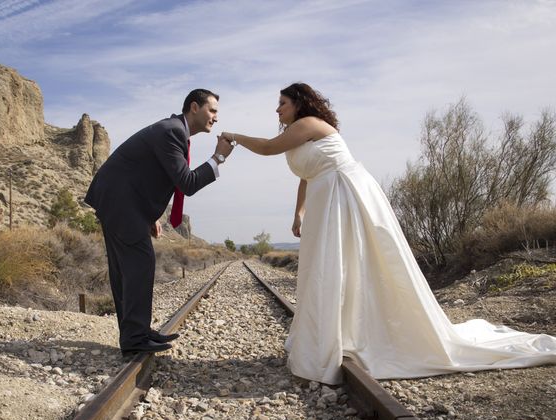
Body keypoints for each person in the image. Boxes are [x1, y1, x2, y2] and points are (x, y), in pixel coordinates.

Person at [221, 82, 556, 384]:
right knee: (325, 267)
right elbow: (307, 174)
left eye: (281, 103)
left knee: (346, 264)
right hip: (327, 197)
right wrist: (299, 211)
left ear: (298, 103)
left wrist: (234, 136)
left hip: (346, 195)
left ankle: (357, 337)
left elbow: (267, 148)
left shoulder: (308, 124)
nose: (277, 109)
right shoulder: (299, 131)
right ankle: (331, 336)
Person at [86, 89, 233, 359]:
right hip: (120, 202)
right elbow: (186, 183)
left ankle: (136, 333)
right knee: (139, 264)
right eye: (212, 111)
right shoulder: (173, 132)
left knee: (126, 270)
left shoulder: (174, 131)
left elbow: (147, 173)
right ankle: (135, 338)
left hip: (121, 201)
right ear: (194, 107)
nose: (215, 118)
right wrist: (218, 158)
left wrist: (152, 215)